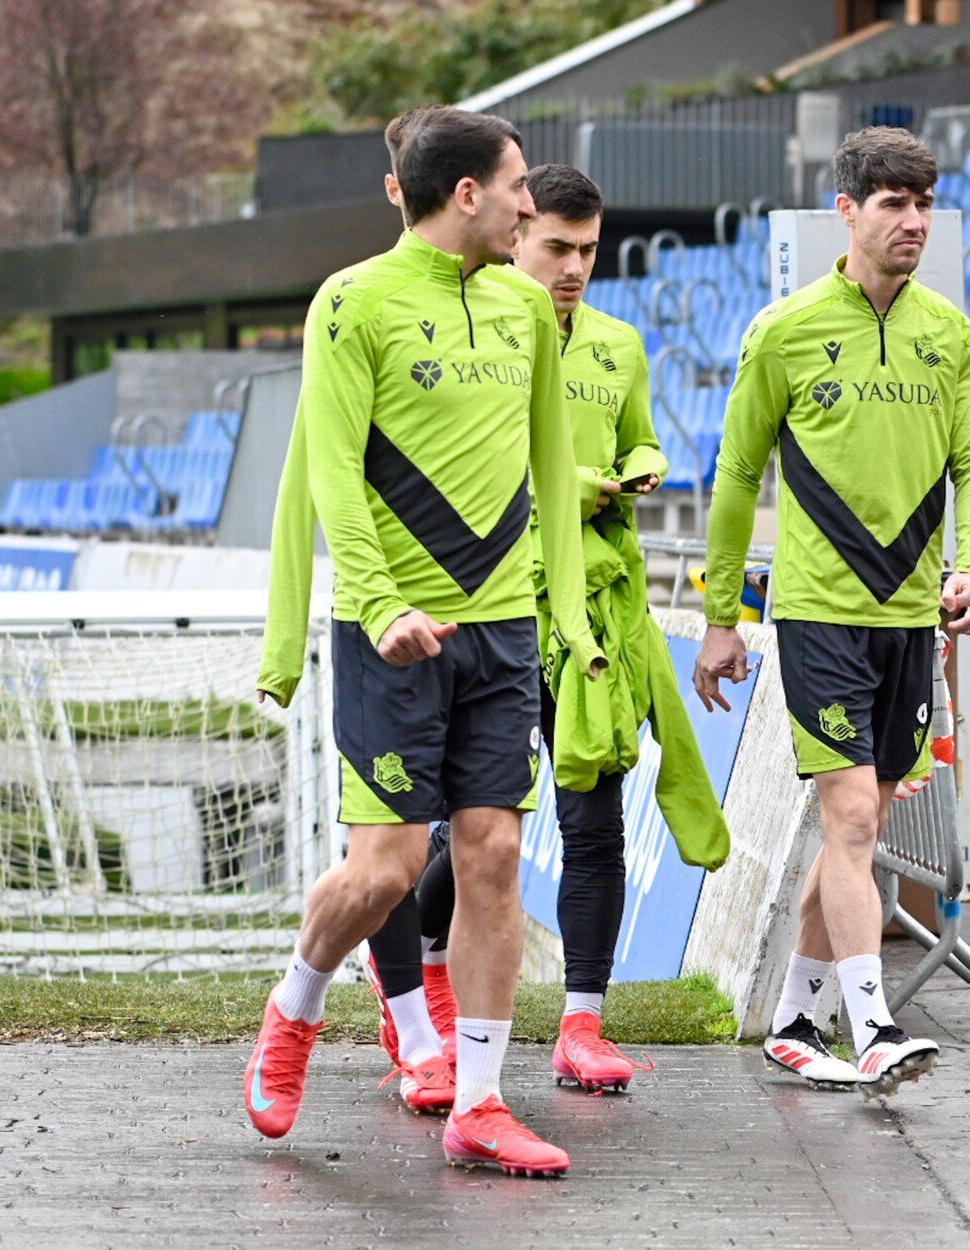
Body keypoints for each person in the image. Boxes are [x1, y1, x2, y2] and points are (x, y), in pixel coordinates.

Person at [248, 103, 604, 1178]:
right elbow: (331, 471)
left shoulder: (525, 308)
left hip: (500, 629)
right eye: (519, 188)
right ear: (468, 193)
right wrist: (379, 604)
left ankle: (481, 1102)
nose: (529, 208)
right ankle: (297, 1002)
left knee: (493, 852)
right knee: (388, 871)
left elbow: (551, 469)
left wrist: (568, 619)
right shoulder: (352, 301)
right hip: (391, 631)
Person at [385, 163, 731, 1097]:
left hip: (598, 614)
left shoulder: (619, 344)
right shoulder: (481, 334)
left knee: (594, 815)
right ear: (518, 235)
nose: (574, 267)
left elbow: (637, 434)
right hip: (498, 604)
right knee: (477, 824)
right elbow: (478, 470)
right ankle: (419, 981)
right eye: (557, 248)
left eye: (589, 251)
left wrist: (644, 461)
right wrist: (577, 487)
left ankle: (583, 1022)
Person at [694, 126, 970, 1097]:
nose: (913, 221)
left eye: (924, 204)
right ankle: (872, 1028)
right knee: (857, 816)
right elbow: (736, 475)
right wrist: (721, 615)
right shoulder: (783, 330)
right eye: (892, 203)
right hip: (819, 617)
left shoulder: (948, 334)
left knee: (851, 835)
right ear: (847, 211)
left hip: (909, 622)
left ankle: (794, 1020)